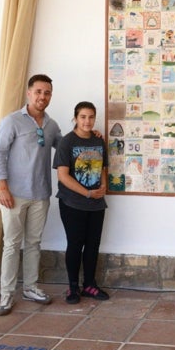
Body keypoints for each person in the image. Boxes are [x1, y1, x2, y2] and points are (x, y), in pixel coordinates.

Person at [0, 74, 62, 316]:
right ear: (29, 93)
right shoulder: (12, 121)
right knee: (11, 244)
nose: (43, 97)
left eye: (47, 93)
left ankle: (31, 288)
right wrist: (2, 188)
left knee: (33, 243)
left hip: (40, 194)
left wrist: (88, 135)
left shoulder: (52, 125)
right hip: (13, 194)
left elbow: (64, 147)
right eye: (39, 92)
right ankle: (6, 295)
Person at [53, 101, 109, 304]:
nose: (87, 121)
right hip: (72, 203)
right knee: (75, 244)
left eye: (91, 117)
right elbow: (62, 175)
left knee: (93, 245)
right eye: (83, 117)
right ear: (75, 118)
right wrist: (87, 193)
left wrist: (103, 188)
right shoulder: (67, 142)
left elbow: (103, 168)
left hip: (96, 204)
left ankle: (90, 285)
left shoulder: (98, 141)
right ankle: (73, 287)